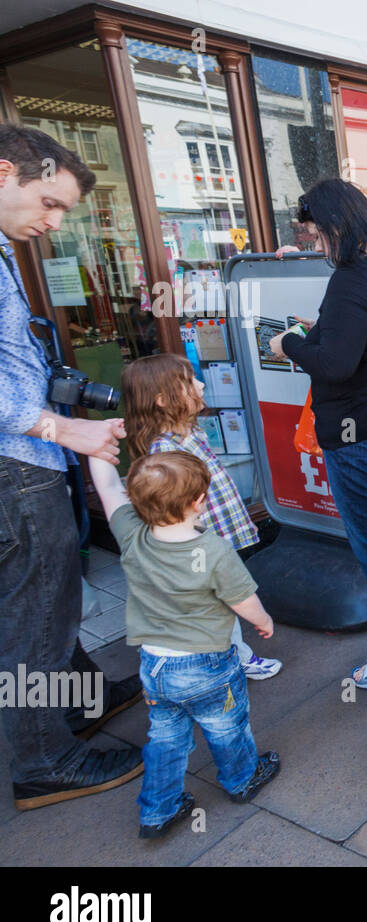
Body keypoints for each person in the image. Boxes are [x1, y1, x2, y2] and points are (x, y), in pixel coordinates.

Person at [0, 123, 146, 810]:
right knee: (33, 617)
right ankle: (42, 760)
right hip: (15, 466)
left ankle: (81, 698)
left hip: (27, 461)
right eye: (48, 203)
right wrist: (64, 428)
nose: (53, 223)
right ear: (6, 173)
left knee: (51, 600)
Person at [267, 179, 367, 690]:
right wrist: (326, 328)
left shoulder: (353, 278)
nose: (317, 245)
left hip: (361, 439)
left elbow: (335, 364)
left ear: (335, 224)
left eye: (316, 236)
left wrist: (289, 343)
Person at [85, 452, 280, 838]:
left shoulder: (131, 535)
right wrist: (263, 621)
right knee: (227, 725)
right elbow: (243, 601)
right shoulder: (213, 552)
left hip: (155, 666)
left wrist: (98, 450)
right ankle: (243, 778)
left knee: (165, 737)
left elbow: (106, 488)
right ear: (199, 501)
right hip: (208, 666)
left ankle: (158, 810)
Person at [122, 353, 281, 680]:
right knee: (218, 604)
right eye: (189, 380)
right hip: (201, 544)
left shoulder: (188, 432)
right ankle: (232, 660)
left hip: (215, 535)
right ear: (163, 400)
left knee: (220, 603)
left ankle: (229, 657)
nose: (201, 383)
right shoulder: (164, 454)